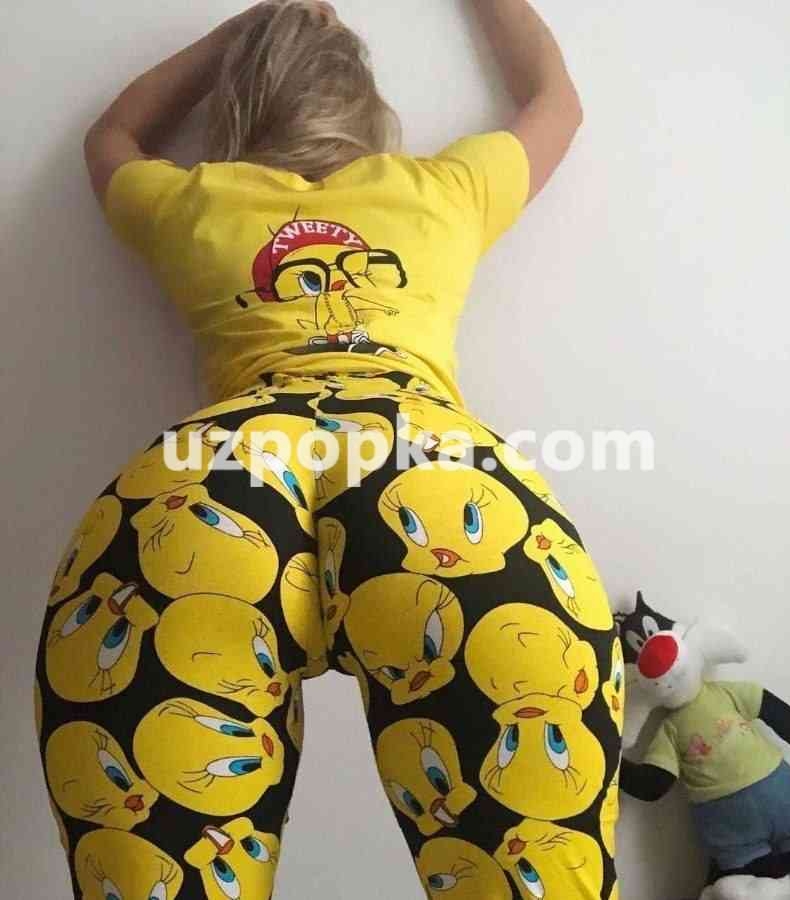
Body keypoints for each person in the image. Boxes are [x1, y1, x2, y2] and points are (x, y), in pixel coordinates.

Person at [35, 2, 622, 897]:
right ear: (370, 110)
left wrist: (252, 25)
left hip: (210, 482)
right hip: (430, 470)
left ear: (238, 107)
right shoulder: (441, 189)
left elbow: (110, 134)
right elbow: (554, 101)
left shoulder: (192, 200)